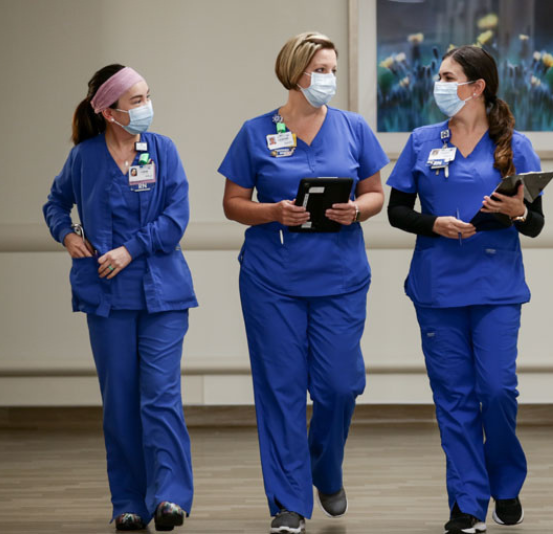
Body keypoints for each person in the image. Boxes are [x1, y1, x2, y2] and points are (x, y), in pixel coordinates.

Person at [219, 32, 389, 534]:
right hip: (272, 281)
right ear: (295, 72)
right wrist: (272, 211)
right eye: (321, 69)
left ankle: (325, 468)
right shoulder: (255, 132)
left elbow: (376, 193)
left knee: (340, 386)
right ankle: (289, 504)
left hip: (340, 278)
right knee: (281, 390)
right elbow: (232, 203)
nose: (329, 79)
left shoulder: (354, 128)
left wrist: (356, 209)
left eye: (333, 70)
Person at [386, 45, 545, 534]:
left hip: (496, 286)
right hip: (437, 287)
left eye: (448, 76)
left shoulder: (515, 147)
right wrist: (435, 225)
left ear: (476, 87)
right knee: (453, 397)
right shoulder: (421, 141)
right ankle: (467, 504)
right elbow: (397, 210)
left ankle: (506, 481)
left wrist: (517, 212)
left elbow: (534, 223)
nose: (439, 84)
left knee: (497, 390)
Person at [43, 64, 197, 532]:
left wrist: (131, 250)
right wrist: (67, 235)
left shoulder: (163, 151)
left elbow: (176, 218)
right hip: (106, 297)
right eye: (137, 101)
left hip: (162, 295)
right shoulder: (84, 158)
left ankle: (170, 496)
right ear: (110, 112)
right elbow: (54, 203)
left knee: (161, 397)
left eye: (148, 96)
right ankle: (128, 501)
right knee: (121, 401)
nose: (147, 107)